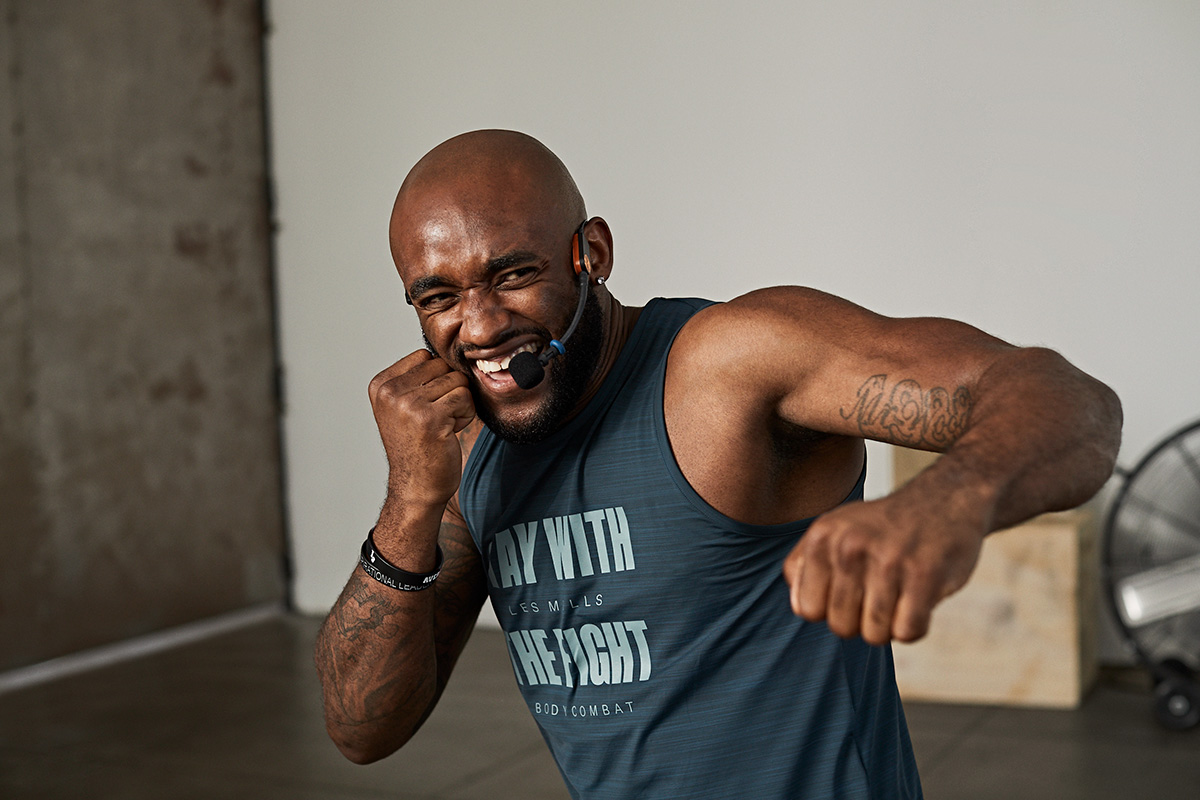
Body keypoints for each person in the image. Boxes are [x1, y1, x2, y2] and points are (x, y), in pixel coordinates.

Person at [314, 129, 1122, 799]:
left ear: (590, 252)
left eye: (513, 274)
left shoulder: (729, 366)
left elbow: (1075, 406)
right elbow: (361, 730)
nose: (482, 325)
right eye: (440, 297)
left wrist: (950, 500)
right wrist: (407, 504)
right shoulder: (468, 449)